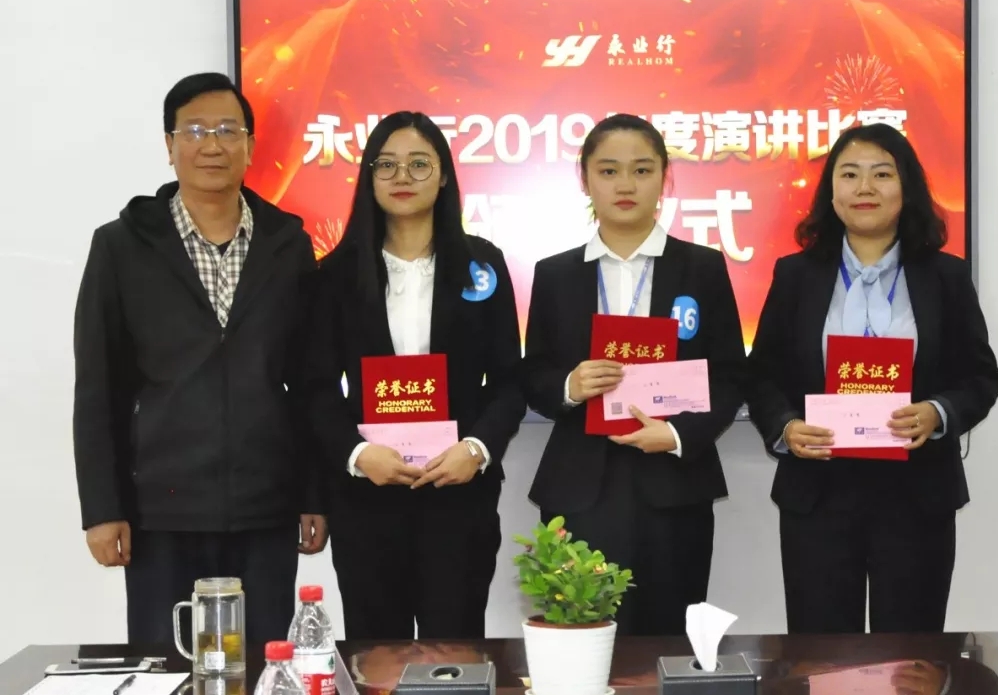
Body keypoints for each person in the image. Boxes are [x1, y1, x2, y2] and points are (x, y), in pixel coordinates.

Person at [72, 72, 327, 646]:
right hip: (161, 512)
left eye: (228, 130)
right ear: (170, 145)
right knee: (168, 666)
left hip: (266, 507)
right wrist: (102, 508)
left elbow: (310, 382)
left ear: (250, 146)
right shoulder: (121, 246)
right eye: (194, 131)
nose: (212, 145)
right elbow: (98, 388)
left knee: (262, 666)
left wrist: (313, 494)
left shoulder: (287, 244)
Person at [744, 122, 998, 634]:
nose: (864, 188)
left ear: (906, 187)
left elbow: (980, 376)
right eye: (849, 174)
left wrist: (937, 413)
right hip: (818, 492)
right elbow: (762, 374)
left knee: (910, 654)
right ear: (831, 191)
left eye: (882, 174)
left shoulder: (946, 276)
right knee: (822, 654)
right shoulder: (795, 275)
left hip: (916, 494)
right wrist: (786, 426)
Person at [520, 113, 747, 636]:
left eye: (642, 170)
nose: (625, 185)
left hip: (674, 483)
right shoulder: (555, 273)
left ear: (665, 178)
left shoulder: (702, 267)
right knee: (581, 638)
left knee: (667, 641)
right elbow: (533, 373)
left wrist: (677, 434)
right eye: (609, 171)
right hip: (580, 485)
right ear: (584, 179)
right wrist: (569, 386)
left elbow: (731, 375)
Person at [302, 111, 525, 640]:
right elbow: (314, 387)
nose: (402, 177)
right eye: (387, 165)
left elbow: (511, 382)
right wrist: (358, 454)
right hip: (367, 499)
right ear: (369, 177)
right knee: (377, 658)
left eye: (419, 164)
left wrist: (475, 449)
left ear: (443, 175)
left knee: (456, 655)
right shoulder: (335, 273)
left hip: (458, 496)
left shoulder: (482, 265)